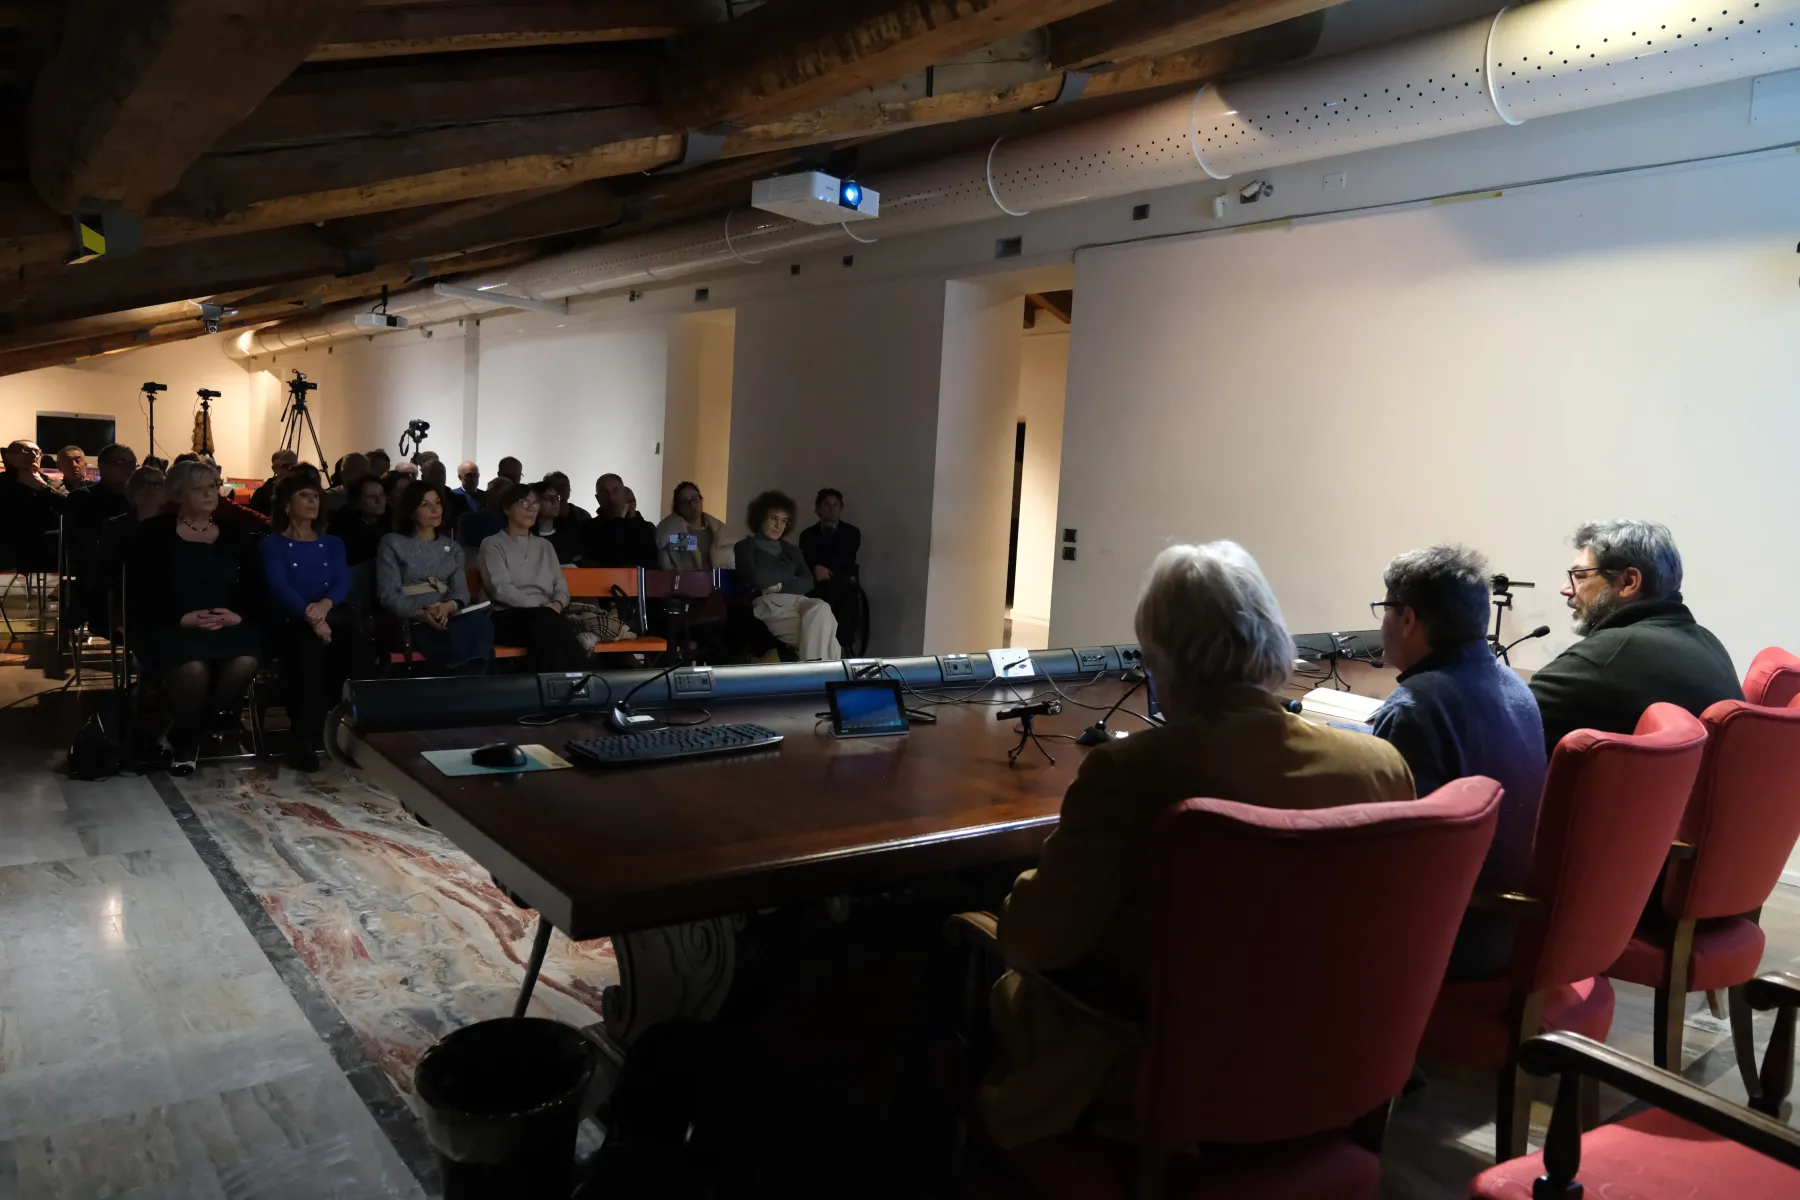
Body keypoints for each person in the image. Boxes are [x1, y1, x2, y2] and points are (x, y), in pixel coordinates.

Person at [980, 541, 1414, 1149]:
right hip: (1329, 1072)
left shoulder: (1130, 774)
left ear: (1160, 658)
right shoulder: (1381, 765)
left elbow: (1034, 941)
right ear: (1273, 640)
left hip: (1161, 1079)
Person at [1370, 545, 1546, 981]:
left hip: (1451, 939)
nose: (1382, 623)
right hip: (1511, 924)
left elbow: (1389, 855)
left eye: (1385, 609)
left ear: (1408, 619)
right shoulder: (1515, 686)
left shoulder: (1415, 708)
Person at [1530, 520, 1742, 754]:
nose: (1566, 589)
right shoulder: (1709, 642)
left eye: (1580, 576)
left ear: (1629, 582)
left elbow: (1505, 724)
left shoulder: (1609, 654)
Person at [126, 460, 262, 776]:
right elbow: (142, 590)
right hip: (170, 621)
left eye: (212, 486)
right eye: (198, 488)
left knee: (245, 661)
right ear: (178, 494)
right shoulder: (154, 532)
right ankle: (188, 739)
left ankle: (185, 730)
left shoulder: (234, 533)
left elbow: (255, 586)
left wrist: (237, 615)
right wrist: (181, 618)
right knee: (193, 668)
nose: (209, 494)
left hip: (225, 620)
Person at [260, 474, 353, 772]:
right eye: (304, 495)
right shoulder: (273, 545)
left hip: (331, 613)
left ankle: (350, 729)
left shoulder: (333, 543)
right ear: (287, 505)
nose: (313, 501)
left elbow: (341, 582)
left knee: (357, 646)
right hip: (290, 618)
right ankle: (302, 737)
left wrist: (323, 607)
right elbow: (279, 587)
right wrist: (311, 618)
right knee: (306, 649)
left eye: (315, 496)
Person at [376, 481, 493, 674]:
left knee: (479, 623)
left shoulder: (452, 548)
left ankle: (470, 677)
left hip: (447, 614)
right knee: (449, 637)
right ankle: (465, 680)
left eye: (437, 502)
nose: (435, 509)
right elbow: (388, 593)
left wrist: (447, 607)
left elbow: (460, 590)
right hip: (414, 619)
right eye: (425, 504)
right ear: (411, 511)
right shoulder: (392, 543)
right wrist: (422, 612)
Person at [478, 483, 589, 671]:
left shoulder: (545, 546)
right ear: (506, 508)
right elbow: (500, 589)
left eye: (535, 504)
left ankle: (571, 679)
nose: (531, 509)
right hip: (506, 614)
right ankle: (573, 679)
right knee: (548, 626)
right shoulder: (492, 544)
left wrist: (558, 604)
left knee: (551, 627)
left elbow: (560, 584)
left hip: (547, 615)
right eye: (524, 503)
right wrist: (542, 606)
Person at [737, 491, 839, 662]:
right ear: (760, 518)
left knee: (821, 607)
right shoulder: (745, 547)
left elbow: (808, 581)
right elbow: (756, 578)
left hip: (797, 600)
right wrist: (791, 577)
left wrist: (779, 585)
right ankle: (819, 675)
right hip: (769, 604)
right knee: (830, 641)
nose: (778, 525)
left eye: (784, 521)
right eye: (773, 519)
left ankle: (812, 674)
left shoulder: (791, 550)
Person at [88, 466, 166, 636]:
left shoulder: (174, 526)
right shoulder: (115, 527)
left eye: (158, 484)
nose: (152, 489)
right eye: (146, 484)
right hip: (129, 598)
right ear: (133, 490)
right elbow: (104, 571)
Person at [799, 488, 862, 648]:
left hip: (842, 586)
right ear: (818, 509)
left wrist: (824, 569)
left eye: (835, 504)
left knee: (844, 610)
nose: (831, 508)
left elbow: (846, 558)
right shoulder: (807, 535)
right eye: (827, 504)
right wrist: (816, 567)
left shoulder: (852, 533)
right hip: (814, 586)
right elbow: (806, 558)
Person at [0, 439, 68, 570]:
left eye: (37, 452)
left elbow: (70, 507)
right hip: (9, 549)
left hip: (46, 550)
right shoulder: (2, 482)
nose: (33, 455)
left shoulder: (53, 484)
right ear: (9, 457)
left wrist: (42, 486)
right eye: (25, 451)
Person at [653, 481, 727, 572]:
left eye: (695, 499)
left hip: (714, 580)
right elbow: (666, 549)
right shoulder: (672, 532)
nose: (692, 505)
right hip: (684, 579)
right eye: (685, 502)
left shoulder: (716, 530)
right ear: (678, 507)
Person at [580, 493, 658, 568]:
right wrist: (619, 520)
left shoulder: (647, 527)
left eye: (630, 501)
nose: (627, 505)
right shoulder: (594, 526)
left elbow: (650, 559)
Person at [328, 476, 390, 567]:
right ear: (356, 502)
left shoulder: (388, 523)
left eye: (382, 495)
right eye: (371, 497)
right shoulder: (346, 534)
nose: (379, 501)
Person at [533, 479, 585, 564]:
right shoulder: (525, 536)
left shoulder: (570, 534)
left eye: (556, 497)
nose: (555, 502)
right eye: (548, 498)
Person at [248, 449, 298, 516]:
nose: (291, 469)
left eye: (294, 466)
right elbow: (250, 517)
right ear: (274, 469)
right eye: (286, 466)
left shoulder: (305, 490)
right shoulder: (262, 494)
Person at [322, 452, 370, 517]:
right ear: (343, 474)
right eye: (355, 471)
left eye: (364, 473)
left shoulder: (373, 497)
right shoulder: (328, 498)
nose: (361, 476)